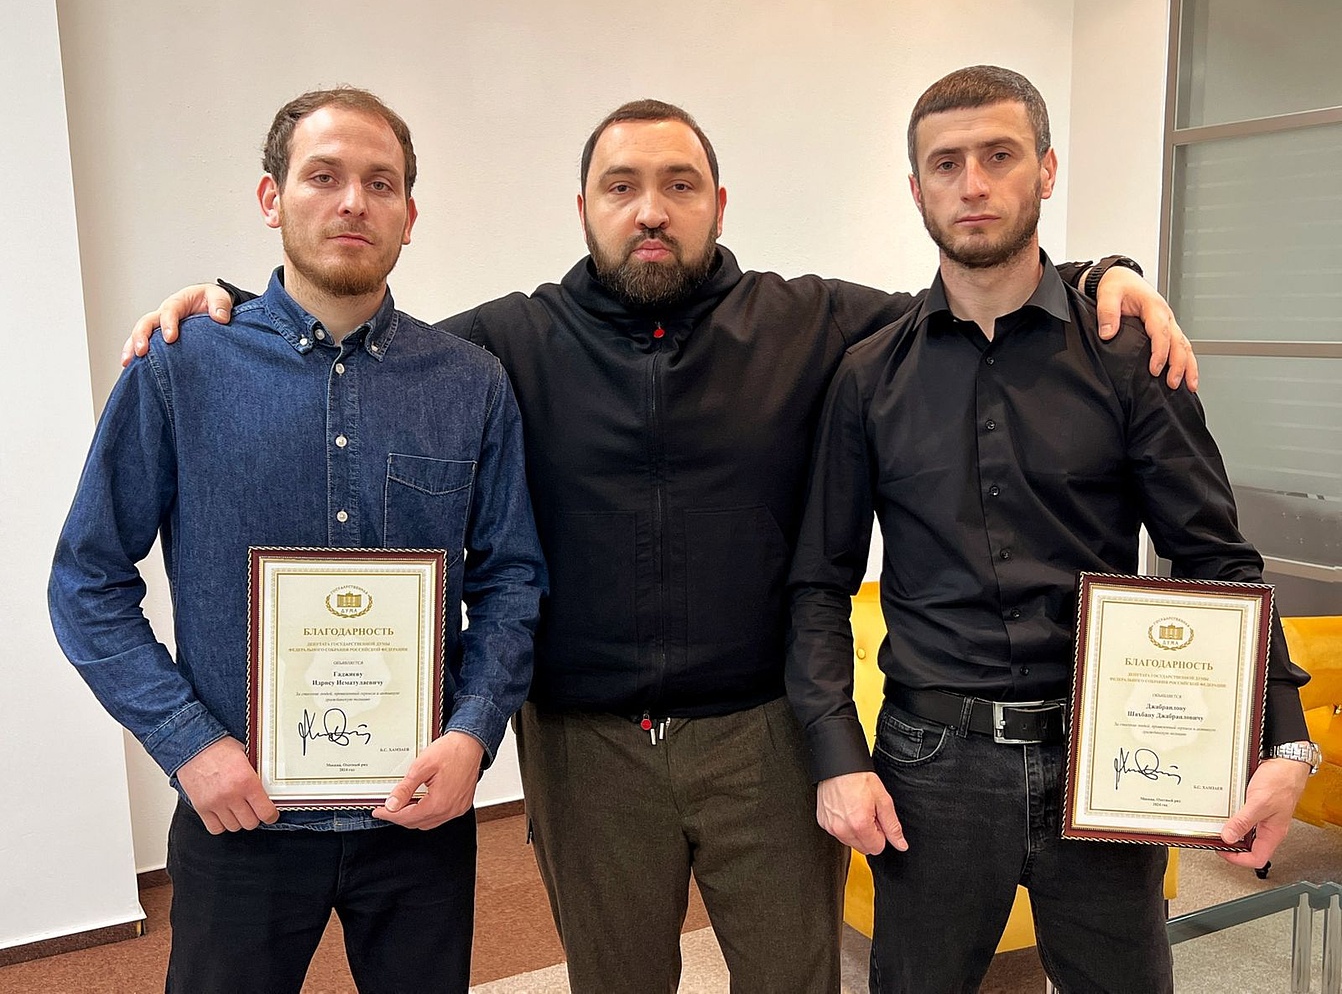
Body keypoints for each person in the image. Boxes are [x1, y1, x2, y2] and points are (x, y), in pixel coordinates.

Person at [122, 98, 1193, 993]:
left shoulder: (811, 323)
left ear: (718, 203)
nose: (650, 209)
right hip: (585, 750)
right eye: (621, 186)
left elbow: (974, 294)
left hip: (762, 739)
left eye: (679, 185)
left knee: (793, 980)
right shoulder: (505, 343)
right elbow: (356, 344)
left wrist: (1103, 273)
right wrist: (234, 312)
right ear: (582, 208)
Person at [787, 65, 1316, 994]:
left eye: (1000, 155)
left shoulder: (1128, 358)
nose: (973, 184)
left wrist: (1285, 741)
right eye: (946, 164)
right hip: (931, 764)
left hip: (1112, 757)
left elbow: (1214, 557)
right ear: (916, 189)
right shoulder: (868, 378)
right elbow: (819, 587)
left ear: (1047, 168)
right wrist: (837, 756)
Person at [50, 88, 546, 994]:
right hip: (239, 816)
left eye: (381, 183)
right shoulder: (181, 368)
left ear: (409, 217)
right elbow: (86, 580)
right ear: (271, 199)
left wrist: (474, 734)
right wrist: (187, 743)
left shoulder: (469, 383)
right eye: (324, 176)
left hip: (417, 815)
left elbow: (511, 579)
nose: (354, 201)